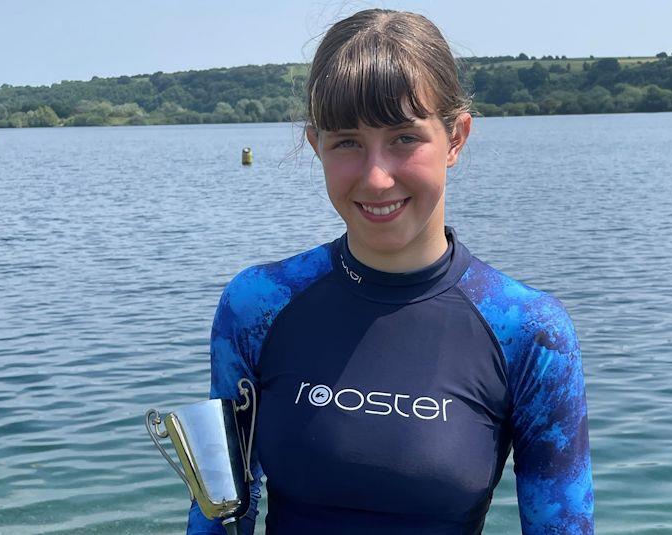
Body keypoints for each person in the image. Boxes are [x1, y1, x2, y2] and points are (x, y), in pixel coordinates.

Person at [187, 8, 593, 535]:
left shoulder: (529, 331)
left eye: (404, 138)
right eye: (347, 142)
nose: (377, 178)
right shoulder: (258, 305)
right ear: (317, 146)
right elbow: (220, 508)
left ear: (456, 138)